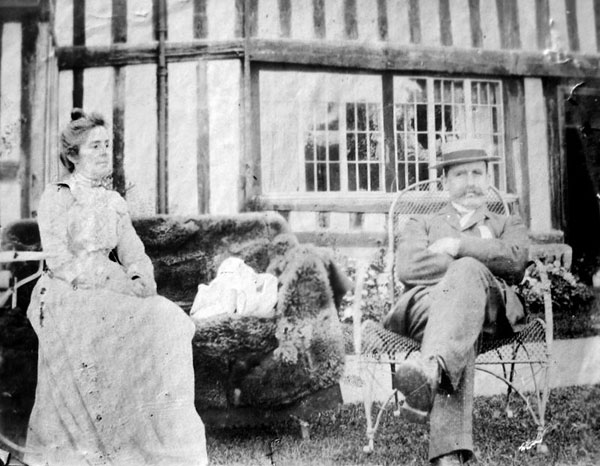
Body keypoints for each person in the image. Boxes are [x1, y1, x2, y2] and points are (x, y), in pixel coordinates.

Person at [24, 109, 208, 466]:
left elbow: (133, 253)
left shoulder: (113, 202)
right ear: (73, 155)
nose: (105, 151)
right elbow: (60, 261)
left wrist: (141, 279)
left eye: (108, 144)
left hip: (112, 288)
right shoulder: (57, 196)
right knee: (103, 323)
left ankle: (155, 438)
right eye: (95, 146)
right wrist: (112, 281)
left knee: (168, 318)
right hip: (66, 290)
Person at [383, 139, 529, 465]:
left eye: (478, 172)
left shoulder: (507, 223)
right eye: (460, 174)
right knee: (461, 311)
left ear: (489, 178)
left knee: (466, 279)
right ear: (446, 182)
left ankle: (429, 372)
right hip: (426, 306)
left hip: (492, 310)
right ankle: (446, 445)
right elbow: (408, 267)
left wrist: (457, 246)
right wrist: (479, 262)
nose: (471, 182)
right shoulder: (420, 222)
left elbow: (516, 263)